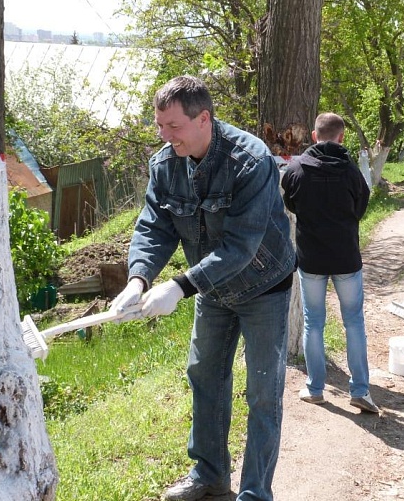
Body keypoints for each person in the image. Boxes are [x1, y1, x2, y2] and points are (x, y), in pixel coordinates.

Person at [110, 75, 295, 501]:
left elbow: (242, 245)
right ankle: (210, 478)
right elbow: (153, 228)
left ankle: (254, 492)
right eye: (160, 125)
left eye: (172, 126)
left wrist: (178, 286)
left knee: (263, 391)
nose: (164, 135)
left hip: (264, 284)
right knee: (205, 377)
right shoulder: (164, 165)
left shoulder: (251, 160)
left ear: (203, 119)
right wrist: (138, 278)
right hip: (212, 290)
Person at [281, 112, 379, 414]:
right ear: (342, 137)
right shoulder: (351, 172)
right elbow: (360, 208)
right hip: (346, 258)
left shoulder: (295, 169)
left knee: (314, 322)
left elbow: (290, 205)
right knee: (354, 322)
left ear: (314, 136)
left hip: (311, 259)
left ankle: (315, 388)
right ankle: (360, 390)